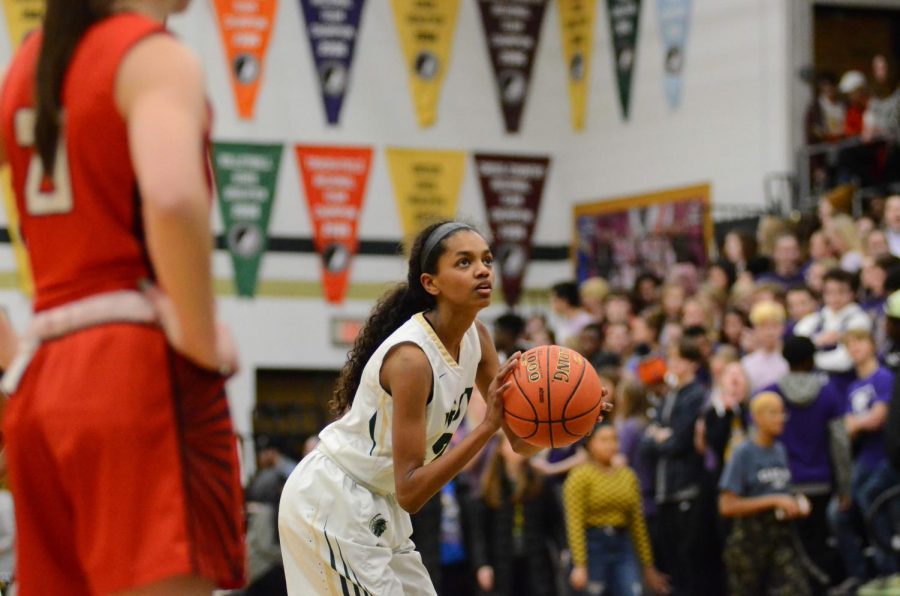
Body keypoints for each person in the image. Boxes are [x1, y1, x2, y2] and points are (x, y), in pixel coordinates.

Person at [0, 2, 245, 594]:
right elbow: (173, 197)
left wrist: (10, 354)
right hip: (136, 375)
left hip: (42, 378)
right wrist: (199, 330)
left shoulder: (27, 64)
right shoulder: (154, 56)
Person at [278, 221, 613, 595]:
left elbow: (520, 442)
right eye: (464, 262)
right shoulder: (412, 359)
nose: (483, 269)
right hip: (334, 498)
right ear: (430, 283)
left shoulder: (477, 338)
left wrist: (573, 422)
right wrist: (486, 429)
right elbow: (412, 491)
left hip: (381, 503)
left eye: (486, 260)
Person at [760, 335, 849, 590]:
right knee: (819, 544)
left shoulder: (769, 395)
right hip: (820, 483)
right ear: (811, 360)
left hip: (782, 487)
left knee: (788, 550)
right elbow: (840, 445)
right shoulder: (828, 393)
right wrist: (845, 488)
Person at [718, 392, 812, 596]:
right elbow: (727, 505)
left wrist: (797, 502)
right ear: (757, 417)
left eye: (782, 412)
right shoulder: (743, 453)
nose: (780, 418)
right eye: (773, 412)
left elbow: (783, 489)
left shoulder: (780, 450)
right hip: (749, 543)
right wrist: (774, 500)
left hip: (781, 538)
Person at [829, 328, 899, 591]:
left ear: (871, 345)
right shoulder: (853, 386)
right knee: (838, 514)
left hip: (885, 458)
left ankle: (889, 571)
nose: (854, 348)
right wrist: (859, 424)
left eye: (859, 341)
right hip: (863, 459)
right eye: (849, 344)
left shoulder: (884, 377)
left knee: (873, 502)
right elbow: (848, 429)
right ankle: (860, 575)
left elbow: (878, 419)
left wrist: (857, 424)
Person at [564, 423, 670, 596]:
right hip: (592, 544)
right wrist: (580, 564)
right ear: (590, 444)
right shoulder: (579, 477)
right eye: (603, 440)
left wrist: (648, 566)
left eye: (614, 439)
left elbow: (637, 524)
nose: (610, 445)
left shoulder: (628, 475)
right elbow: (574, 523)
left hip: (623, 542)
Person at [640, 337, 709, 596]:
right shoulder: (670, 394)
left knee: (689, 557)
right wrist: (660, 437)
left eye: (677, 358)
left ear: (691, 363)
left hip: (686, 486)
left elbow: (680, 442)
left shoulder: (696, 395)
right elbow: (647, 441)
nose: (672, 364)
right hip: (665, 487)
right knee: (671, 559)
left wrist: (662, 437)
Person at [469, 436, 565, 596]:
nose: (516, 447)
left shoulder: (538, 480)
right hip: (501, 562)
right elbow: (478, 532)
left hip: (535, 560)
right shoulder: (489, 486)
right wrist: (482, 564)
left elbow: (556, 521)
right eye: (510, 442)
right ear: (499, 449)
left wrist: (563, 549)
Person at [740, 300, 789, 393]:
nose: (769, 332)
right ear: (755, 329)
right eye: (763, 327)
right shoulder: (747, 363)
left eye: (774, 326)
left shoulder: (790, 360)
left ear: (782, 328)